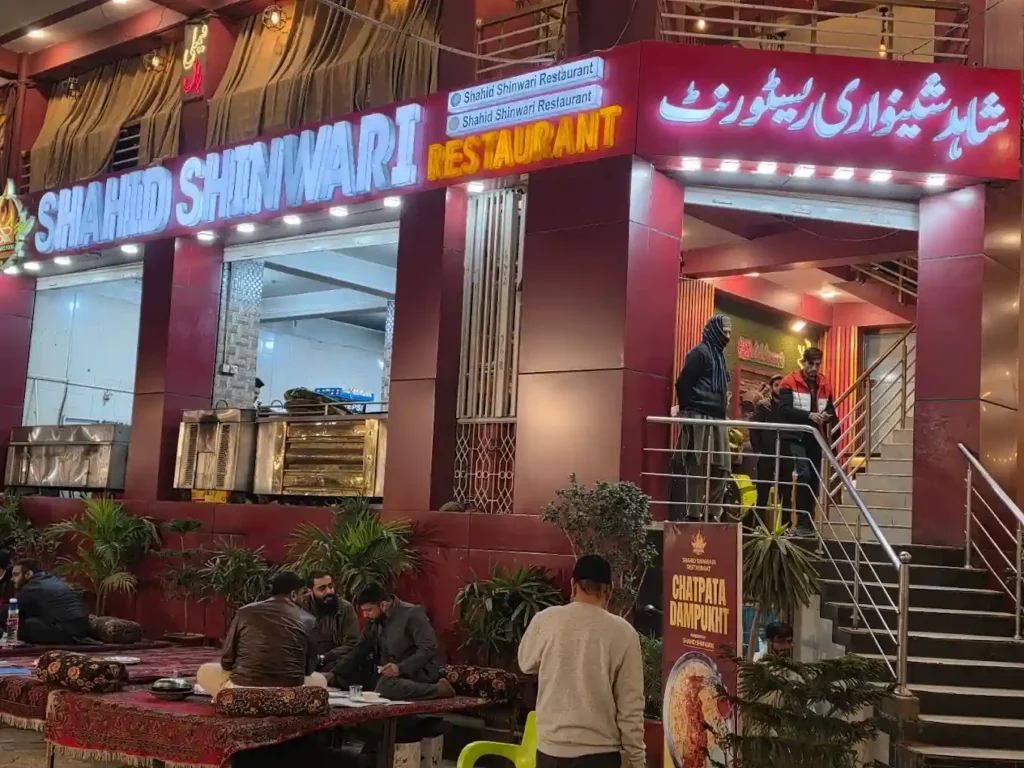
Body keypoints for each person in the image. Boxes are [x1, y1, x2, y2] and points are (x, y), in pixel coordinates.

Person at [518, 555, 645, 768]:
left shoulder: (546, 619)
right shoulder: (624, 633)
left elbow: (526, 663)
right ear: (609, 590)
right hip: (601, 756)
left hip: (552, 753)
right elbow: (631, 706)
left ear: (573, 585)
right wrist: (636, 759)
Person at [197, 570, 327, 695]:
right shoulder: (309, 620)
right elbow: (308, 670)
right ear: (293, 594)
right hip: (291, 694)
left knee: (204, 670)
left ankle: (229, 698)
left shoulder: (244, 612)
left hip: (242, 691)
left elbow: (227, 661)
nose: (304, 598)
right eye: (302, 593)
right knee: (320, 680)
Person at [332, 583, 454, 701]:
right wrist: (334, 673)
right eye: (363, 611)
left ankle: (438, 689)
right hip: (387, 673)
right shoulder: (373, 619)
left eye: (368, 610)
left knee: (385, 686)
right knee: (344, 677)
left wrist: (400, 668)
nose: (365, 615)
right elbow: (361, 648)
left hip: (416, 671)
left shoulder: (412, 613)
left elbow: (429, 648)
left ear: (383, 605)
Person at [670, 315, 733, 521]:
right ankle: (694, 514)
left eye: (729, 332)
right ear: (715, 330)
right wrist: (688, 409)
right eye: (725, 331)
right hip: (700, 417)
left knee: (721, 467)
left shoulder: (719, 355)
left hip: (718, 419)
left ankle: (713, 513)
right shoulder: (699, 353)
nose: (727, 336)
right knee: (697, 465)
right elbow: (683, 383)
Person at [780, 347, 836, 536]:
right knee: (803, 475)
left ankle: (808, 522)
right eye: (810, 364)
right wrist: (810, 415)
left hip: (815, 436)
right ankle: (802, 521)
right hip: (796, 436)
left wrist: (826, 415)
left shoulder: (825, 383)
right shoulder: (788, 381)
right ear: (803, 362)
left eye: (817, 364)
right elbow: (785, 410)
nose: (814, 368)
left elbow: (831, 409)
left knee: (814, 478)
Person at [8, 559, 90, 644]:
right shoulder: (52, 579)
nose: (12, 579)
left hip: (68, 632)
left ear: (28, 574)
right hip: (80, 630)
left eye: (16, 575)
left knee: (20, 621)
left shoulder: (33, 587)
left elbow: (13, 609)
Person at [302, 571, 360, 678]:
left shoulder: (345, 608)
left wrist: (324, 658)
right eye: (322, 588)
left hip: (335, 665)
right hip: (304, 665)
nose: (329, 591)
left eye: (330, 586)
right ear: (310, 591)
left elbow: (352, 644)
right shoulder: (300, 607)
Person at [750, 375, 790, 520]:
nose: (779, 388)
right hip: (767, 453)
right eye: (776, 385)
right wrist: (758, 450)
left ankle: (786, 525)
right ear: (772, 387)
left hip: (786, 454)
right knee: (762, 490)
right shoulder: (763, 405)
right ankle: (758, 524)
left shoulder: (790, 407)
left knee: (786, 491)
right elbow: (754, 429)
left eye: (782, 385)